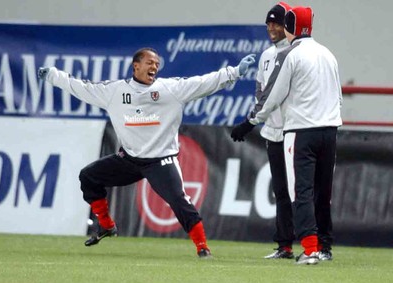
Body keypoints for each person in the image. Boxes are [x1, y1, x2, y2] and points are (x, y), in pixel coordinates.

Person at [38, 47, 256, 258]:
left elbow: (204, 82)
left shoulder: (170, 89)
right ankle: (106, 225)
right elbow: (81, 87)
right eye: (150, 62)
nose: (155, 66)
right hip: (130, 159)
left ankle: (202, 247)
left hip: (161, 160)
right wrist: (54, 76)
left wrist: (234, 72)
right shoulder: (114, 91)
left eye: (157, 64)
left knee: (179, 201)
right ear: (136, 66)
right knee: (88, 176)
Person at [231, 6, 342, 265]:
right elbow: (337, 95)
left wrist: (249, 122)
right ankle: (324, 247)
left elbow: (272, 95)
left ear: (290, 26)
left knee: (299, 191)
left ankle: (311, 249)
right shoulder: (328, 54)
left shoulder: (289, 55)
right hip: (330, 130)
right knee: (323, 192)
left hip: (300, 132)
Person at [256, 1, 296, 260]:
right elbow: (260, 91)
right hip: (272, 133)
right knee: (281, 191)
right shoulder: (266, 56)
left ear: (287, 26)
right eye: (269, 23)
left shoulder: (295, 53)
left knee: (301, 192)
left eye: (277, 23)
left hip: (294, 131)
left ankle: (315, 244)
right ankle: (285, 246)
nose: (272, 27)